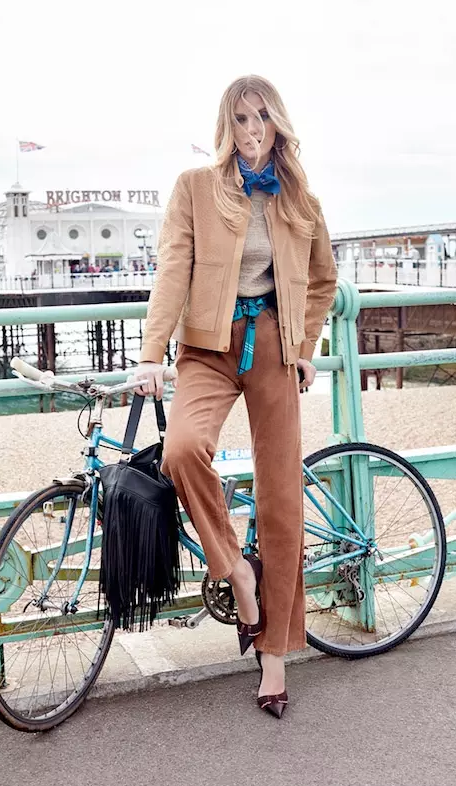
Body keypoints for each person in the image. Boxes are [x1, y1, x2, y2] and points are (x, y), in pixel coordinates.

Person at [134, 75, 337, 719]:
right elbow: (172, 270)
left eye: (264, 119)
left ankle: (273, 657)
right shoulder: (195, 189)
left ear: (278, 124)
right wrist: (149, 355)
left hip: (274, 348)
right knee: (184, 448)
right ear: (227, 126)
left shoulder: (301, 198)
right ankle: (236, 574)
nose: (253, 132)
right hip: (207, 348)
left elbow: (323, 280)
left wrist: (304, 347)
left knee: (280, 495)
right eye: (243, 120)